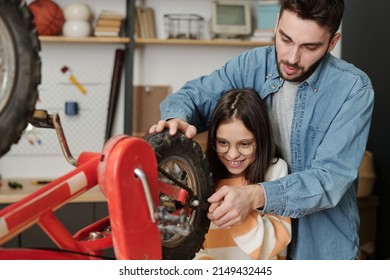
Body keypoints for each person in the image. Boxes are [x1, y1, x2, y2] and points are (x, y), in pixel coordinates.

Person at [149, 0, 374, 260]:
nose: (292, 57)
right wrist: (177, 118)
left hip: (322, 248)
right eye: (285, 39)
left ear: (333, 42)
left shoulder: (353, 89)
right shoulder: (252, 65)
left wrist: (255, 195)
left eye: (309, 47)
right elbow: (193, 97)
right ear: (277, 24)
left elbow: (329, 180)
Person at [194, 88, 291, 260]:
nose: (232, 155)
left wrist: (239, 213)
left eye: (244, 144)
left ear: (261, 139)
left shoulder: (275, 171)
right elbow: (194, 247)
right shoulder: (203, 176)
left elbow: (274, 247)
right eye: (222, 142)